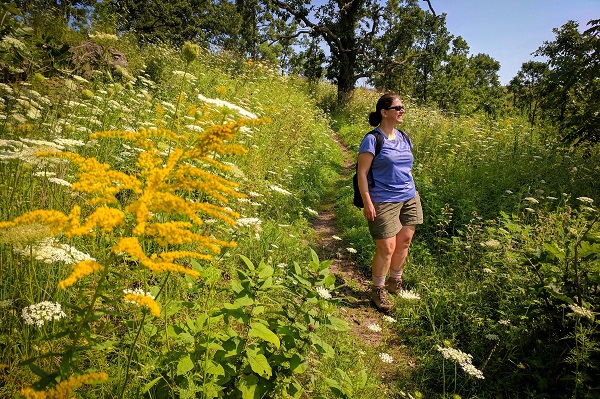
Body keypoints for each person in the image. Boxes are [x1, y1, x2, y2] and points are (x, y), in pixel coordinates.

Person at [356, 93, 423, 312]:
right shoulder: (372, 139)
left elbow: (407, 168)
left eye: (403, 107)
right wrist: (367, 201)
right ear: (384, 113)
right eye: (398, 107)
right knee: (387, 247)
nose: (402, 110)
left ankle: (395, 282)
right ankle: (378, 290)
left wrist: (412, 190)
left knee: (404, 241)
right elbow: (362, 173)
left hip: (409, 197)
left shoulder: (404, 137)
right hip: (383, 199)